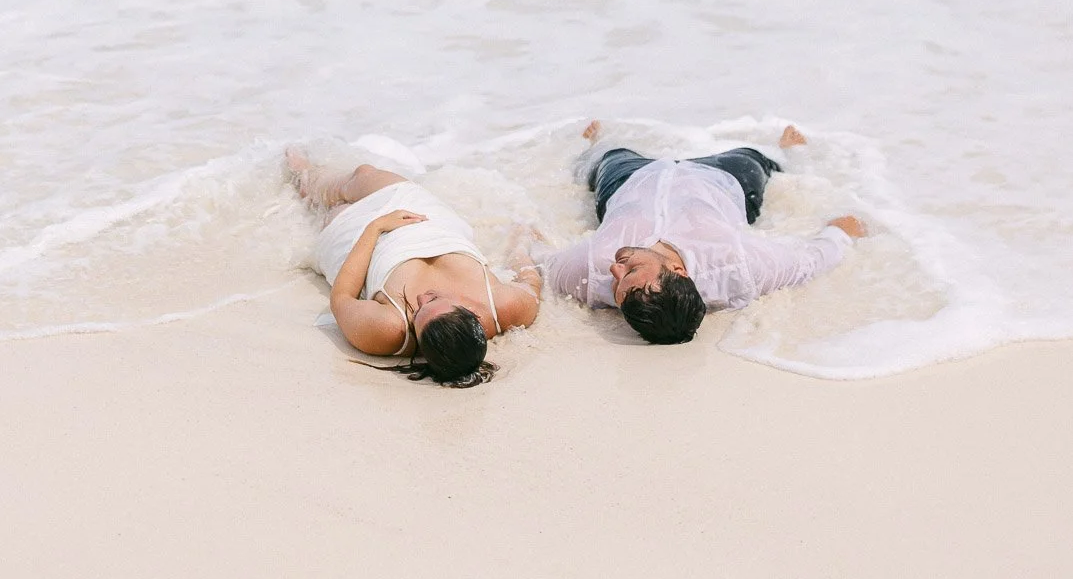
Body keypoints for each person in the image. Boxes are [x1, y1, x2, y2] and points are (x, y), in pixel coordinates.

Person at [539, 122, 867, 344]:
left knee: (606, 156)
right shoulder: (738, 266)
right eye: (630, 272)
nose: (615, 269)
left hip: (630, 180)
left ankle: (594, 143)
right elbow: (809, 262)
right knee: (756, 158)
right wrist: (842, 232)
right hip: (720, 179)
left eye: (618, 287)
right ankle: (784, 150)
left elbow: (537, 261)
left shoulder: (591, 270)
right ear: (678, 270)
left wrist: (522, 238)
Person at [286, 151, 542, 386]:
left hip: (359, 239)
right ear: (472, 312)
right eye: (435, 299)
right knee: (362, 175)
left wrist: (375, 227)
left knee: (334, 210)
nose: (421, 299)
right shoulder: (504, 307)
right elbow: (529, 279)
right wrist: (521, 241)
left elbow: (341, 299)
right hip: (421, 212)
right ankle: (308, 175)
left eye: (417, 313)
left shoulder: (389, 330)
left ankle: (301, 182)